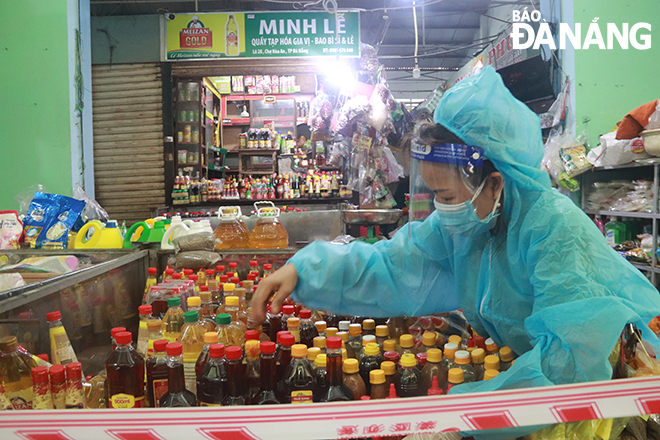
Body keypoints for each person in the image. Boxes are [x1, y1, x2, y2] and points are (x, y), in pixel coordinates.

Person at [248, 67, 660, 438]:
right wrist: (304, 271)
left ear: (495, 183)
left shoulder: (554, 231)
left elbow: (568, 365)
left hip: (626, 386)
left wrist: (460, 421)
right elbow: (391, 266)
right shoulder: (468, 226)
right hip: (543, 390)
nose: (441, 210)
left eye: (446, 195)